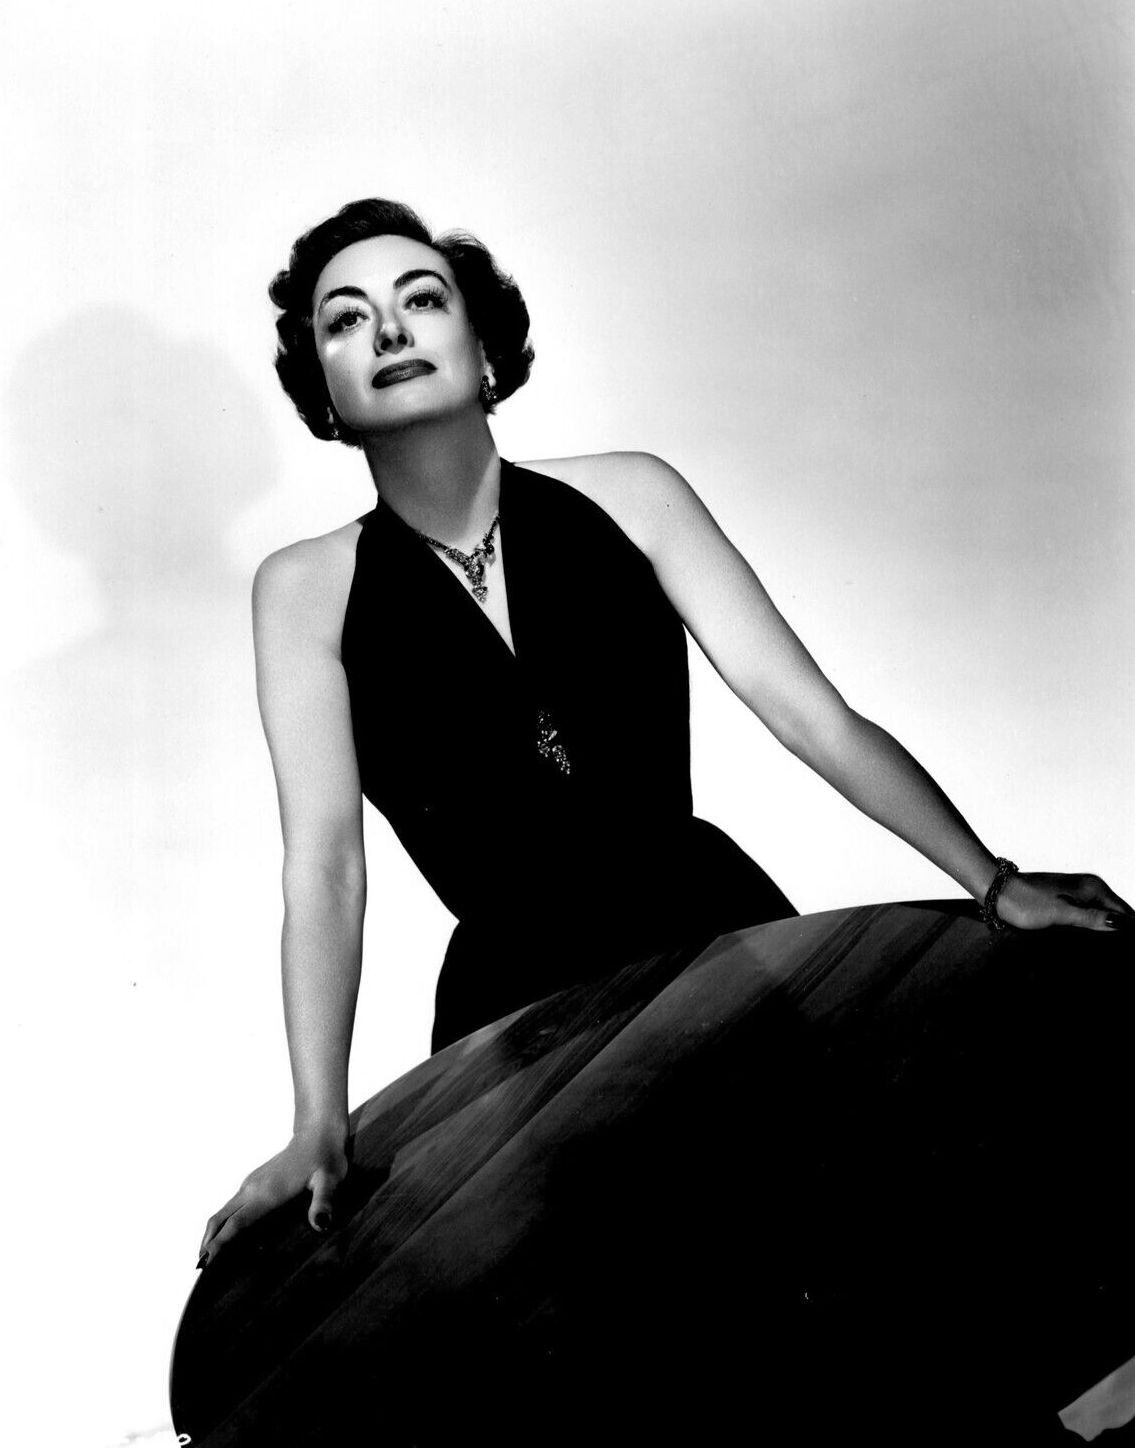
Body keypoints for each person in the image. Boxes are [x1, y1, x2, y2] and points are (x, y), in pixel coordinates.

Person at [185, 198, 1131, 1442]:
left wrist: (989, 877)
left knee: (870, 1273)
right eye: (344, 319)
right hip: (522, 1010)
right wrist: (320, 1113)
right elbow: (326, 867)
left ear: (483, 346)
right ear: (323, 387)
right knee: (656, 1350)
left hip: (712, 937)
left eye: (421, 298)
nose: (389, 331)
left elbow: (809, 715)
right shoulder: (302, 589)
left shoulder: (632, 494)